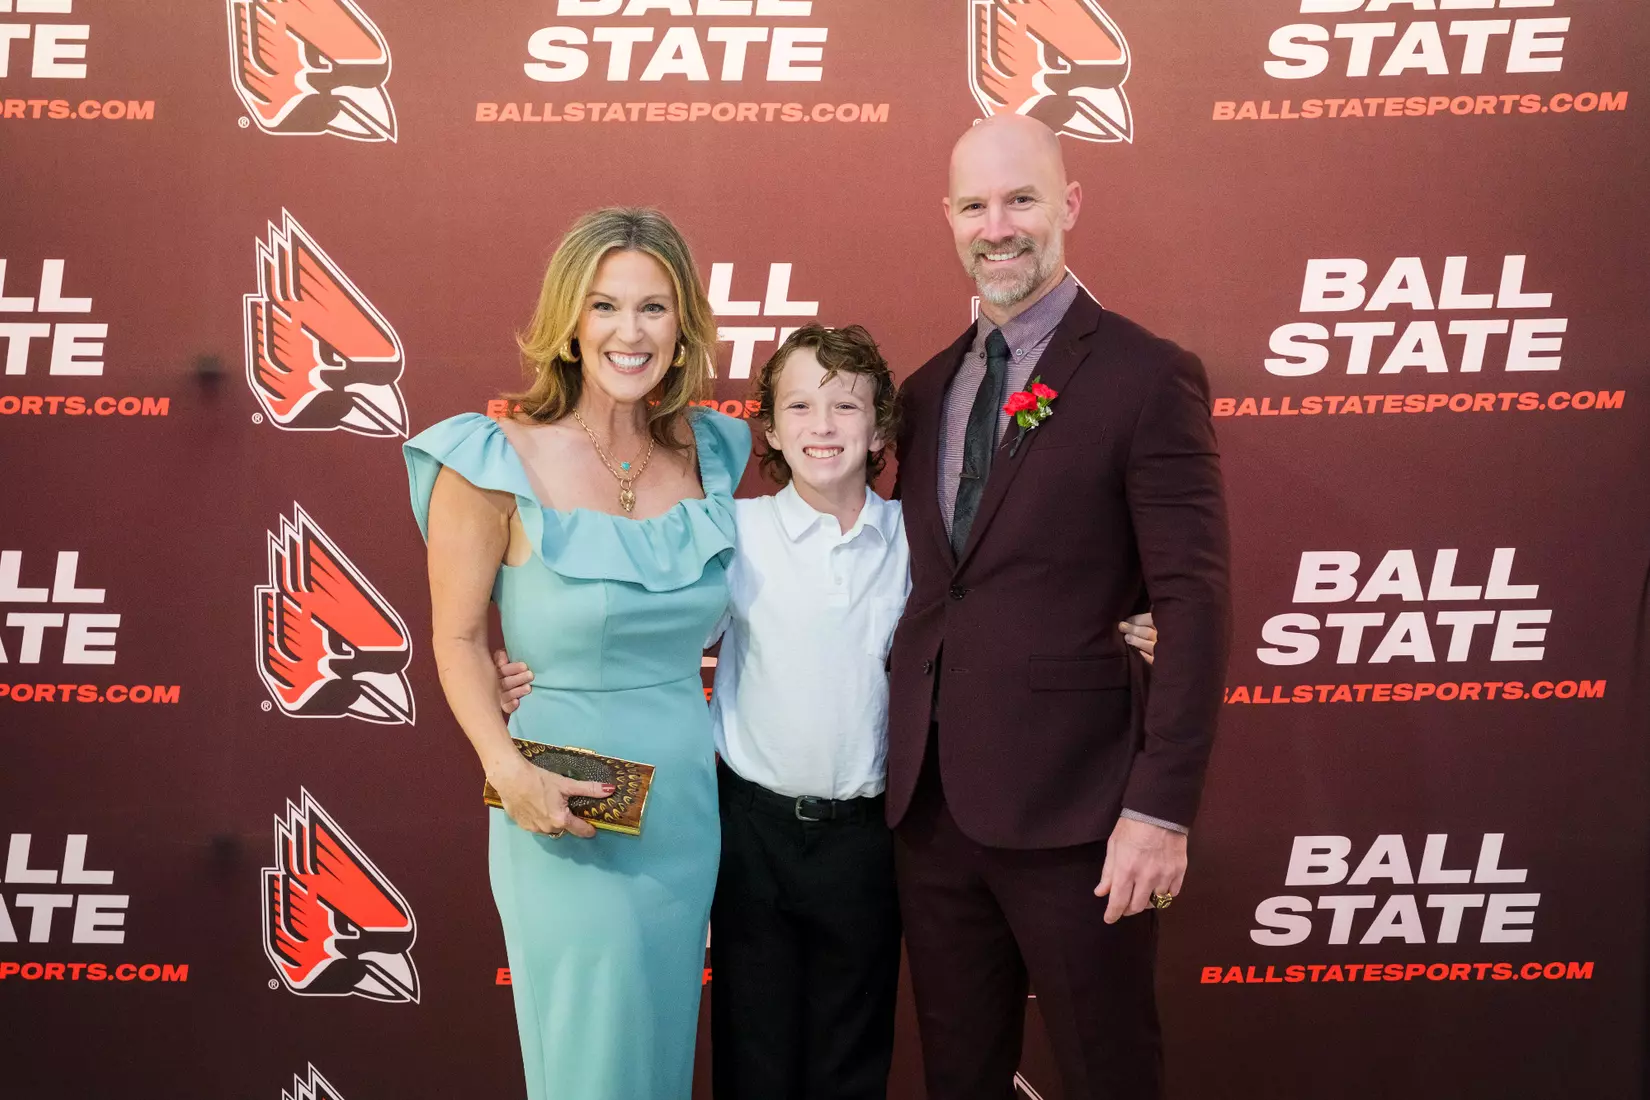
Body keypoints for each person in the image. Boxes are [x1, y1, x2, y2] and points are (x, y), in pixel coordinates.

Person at [493, 320, 1161, 1100]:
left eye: (846, 406)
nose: (823, 425)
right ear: (771, 430)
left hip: (870, 838)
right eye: (800, 406)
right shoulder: (735, 532)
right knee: (755, 1052)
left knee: (852, 1053)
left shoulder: (917, 542)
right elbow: (648, 628)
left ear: (879, 429)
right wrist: (545, 669)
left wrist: (1121, 621)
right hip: (751, 832)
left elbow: (1010, 600)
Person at [885, 114, 1231, 1100]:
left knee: (1107, 1069)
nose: (998, 227)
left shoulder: (1146, 376)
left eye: (1021, 199)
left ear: (1069, 204)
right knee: (960, 1076)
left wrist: (1159, 810)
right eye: (975, 206)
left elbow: (1194, 604)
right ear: (949, 219)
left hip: (1084, 816)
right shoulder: (925, 391)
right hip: (931, 814)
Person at [403, 207, 750, 1100]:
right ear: (568, 323)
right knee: (592, 1064)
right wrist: (507, 769)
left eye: (653, 308)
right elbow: (455, 637)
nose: (629, 332)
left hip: (683, 811)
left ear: (684, 327)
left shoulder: (716, 449)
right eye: (604, 306)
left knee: (657, 1056)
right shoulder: (489, 460)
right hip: (557, 805)